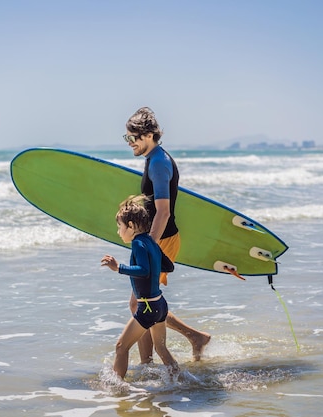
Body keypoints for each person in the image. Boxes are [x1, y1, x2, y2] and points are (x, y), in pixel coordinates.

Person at [123, 107, 211, 362]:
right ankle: (151, 362)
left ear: (148, 135)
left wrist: (149, 244)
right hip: (156, 238)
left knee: (140, 304)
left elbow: (163, 211)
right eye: (127, 138)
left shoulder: (159, 163)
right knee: (142, 303)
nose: (130, 143)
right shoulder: (154, 159)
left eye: (132, 138)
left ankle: (187, 341)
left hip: (162, 238)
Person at [101, 195, 179, 380]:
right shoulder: (151, 241)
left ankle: (116, 387)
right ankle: (182, 381)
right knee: (161, 349)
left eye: (120, 227)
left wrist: (118, 267)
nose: (119, 232)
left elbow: (143, 270)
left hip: (148, 307)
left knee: (121, 347)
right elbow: (169, 267)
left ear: (131, 226)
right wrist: (154, 263)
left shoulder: (138, 243)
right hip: (160, 304)